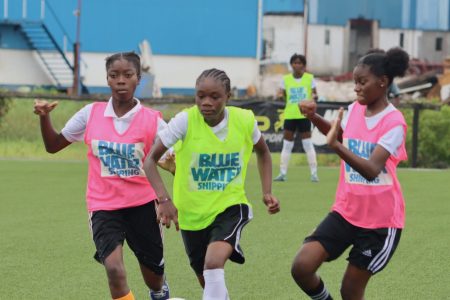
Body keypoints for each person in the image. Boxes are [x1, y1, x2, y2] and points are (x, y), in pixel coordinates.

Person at [33, 52, 170, 300]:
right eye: (114, 75)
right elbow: (53, 145)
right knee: (114, 269)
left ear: (138, 78)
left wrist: (170, 174)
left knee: (154, 278)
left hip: (142, 205)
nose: (120, 80)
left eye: (127, 75)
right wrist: (45, 118)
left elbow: (170, 159)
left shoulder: (153, 120)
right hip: (103, 205)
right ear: (107, 79)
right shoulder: (91, 113)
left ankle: (159, 290)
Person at [143, 68, 280, 300]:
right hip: (191, 215)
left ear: (228, 96)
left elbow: (263, 153)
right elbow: (150, 161)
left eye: (214, 97)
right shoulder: (184, 121)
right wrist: (164, 200)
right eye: (200, 96)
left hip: (231, 207)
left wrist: (267, 192)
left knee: (213, 263)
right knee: (207, 280)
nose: (206, 102)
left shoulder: (244, 120)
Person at [293, 47, 409, 300]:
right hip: (346, 211)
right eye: (355, 82)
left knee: (350, 290)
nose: (356, 87)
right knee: (302, 267)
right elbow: (338, 134)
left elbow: (370, 169)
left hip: (380, 222)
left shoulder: (394, 122)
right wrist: (313, 117)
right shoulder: (355, 109)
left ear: (383, 82)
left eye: (362, 82)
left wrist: (336, 146)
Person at [274, 53, 319, 182]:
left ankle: (314, 173)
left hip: (304, 115)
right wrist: (279, 95)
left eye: (300, 63)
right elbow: (282, 95)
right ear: (291, 65)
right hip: (290, 115)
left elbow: (316, 95)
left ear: (303, 65)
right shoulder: (286, 79)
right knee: (287, 145)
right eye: (295, 62)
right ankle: (282, 173)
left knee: (307, 144)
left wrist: (314, 98)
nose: (297, 65)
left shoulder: (310, 78)